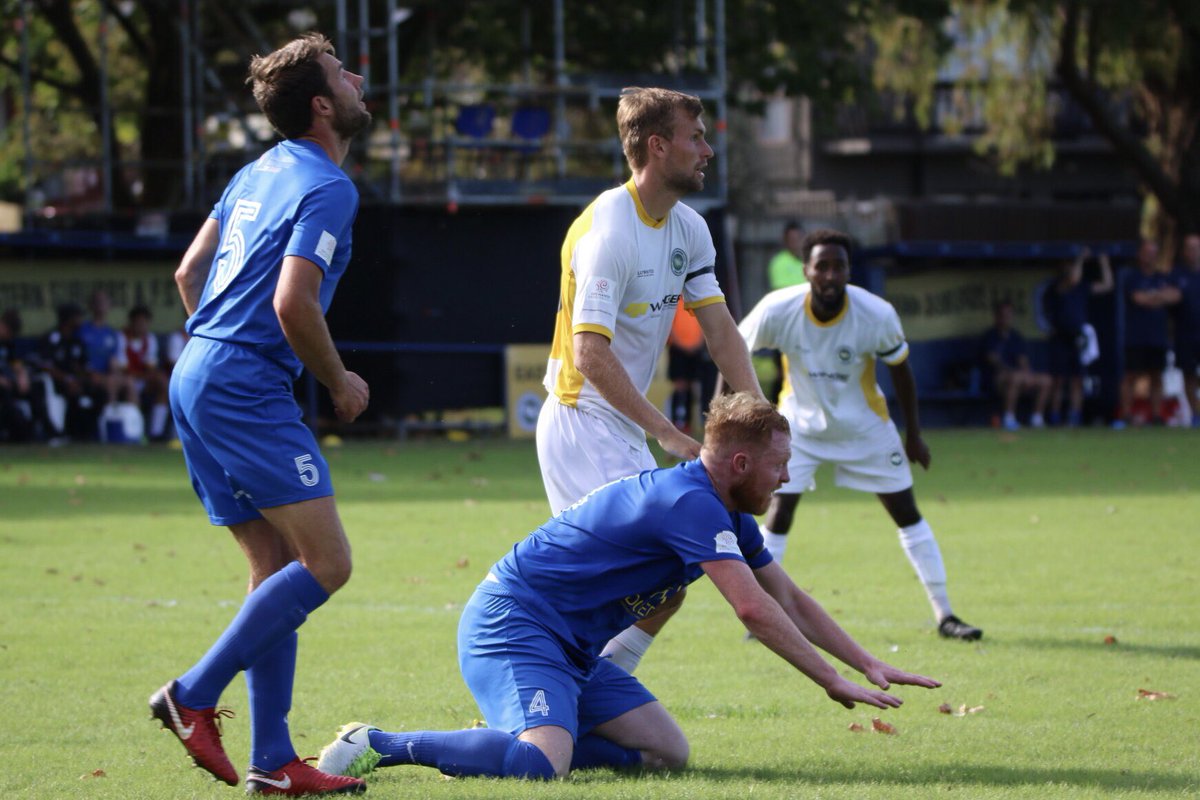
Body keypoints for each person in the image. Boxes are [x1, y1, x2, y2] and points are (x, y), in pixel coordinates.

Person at [314, 392, 941, 782]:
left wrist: (863, 660)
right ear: (742, 464)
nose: (786, 477)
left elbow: (788, 597)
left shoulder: (725, 510)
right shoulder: (689, 503)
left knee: (667, 754)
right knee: (540, 766)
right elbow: (751, 609)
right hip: (514, 624)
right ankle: (375, 744)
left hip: (571, 652)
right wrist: (828, 679)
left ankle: (512, 735)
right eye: (779, 465)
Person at [148, 32, 372, 796]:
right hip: (241, 381)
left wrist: (216, 350)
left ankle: (273, 761)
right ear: (322, 104)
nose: (357, 79)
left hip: (198, 369)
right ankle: (192, 694)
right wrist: (338, 380)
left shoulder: (255, 170)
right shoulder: (329, 185)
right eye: (344, 74)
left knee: (274, 569)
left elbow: (189, 271)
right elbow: (292, 301)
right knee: (329, 563)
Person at [536, 87, 765, 674]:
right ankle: (564, 683)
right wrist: (667, 433)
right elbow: (588, 353)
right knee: (657, 572)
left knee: (664, 579)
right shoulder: (608, 229)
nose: (708, 150)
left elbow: (719, 329)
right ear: (658, 146)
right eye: (696, 137)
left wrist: (761, 415)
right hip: (580, 423)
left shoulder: (689, 228)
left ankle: (588, 688)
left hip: (623, 429)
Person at [735, 228, 982, 641]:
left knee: (907, 513)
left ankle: (946, 615)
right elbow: (732, 352)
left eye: (839, 267)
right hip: (799, 429)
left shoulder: (876, 313)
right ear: (806, 271)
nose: (831, 275)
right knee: (777, 514)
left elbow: (902, 371)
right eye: (822, 266)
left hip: (865, 428)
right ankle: (764, 620)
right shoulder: (778, 309)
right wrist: (718, 430)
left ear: (850, 271)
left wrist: (914, 435)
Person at [1042, 247, 1113, 426]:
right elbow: (1073, 279)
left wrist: (1103, 264)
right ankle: (1055, 416)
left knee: (1077, 380)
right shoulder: (1057, 286)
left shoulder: (1083, 286)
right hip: (1060, 338)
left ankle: (1075, 415)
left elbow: (1107, 285)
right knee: (1058, 379)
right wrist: (1080, 259)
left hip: (1078, 339)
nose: (1070, 268)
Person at [1116, 239, 1180, 427]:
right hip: (1136, 336)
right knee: (1130, 376)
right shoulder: (1133, 277)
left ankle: (1157, 415)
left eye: (1153, 253)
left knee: (1157, 375)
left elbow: (1175, 296)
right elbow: (1139, 299)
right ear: (1140, 254)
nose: (1150, 256)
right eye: (1147, 252)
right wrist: (1160, 296)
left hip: (1157, 336)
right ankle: (1126, 415)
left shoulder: (1163, 277)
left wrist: (1153, 296)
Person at [29, 302, 105, 441]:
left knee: (99, 391)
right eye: (78, 317)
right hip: (55, 383)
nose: (81, 320)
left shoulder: (76, 340)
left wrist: (90, 376)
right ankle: (66, 433)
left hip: (75, 381)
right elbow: (44, 365)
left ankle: (89, 434)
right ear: (69, 319)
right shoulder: (51, 338)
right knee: (72, 391)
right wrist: (67, 379)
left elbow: (82, 366)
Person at [980, 300, 1051, 431]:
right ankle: (1009, 418)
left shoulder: (1016, 337)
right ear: (996, 316)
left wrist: (1028, 375)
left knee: (1045, 380)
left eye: (1009, 315)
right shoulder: (989, 336)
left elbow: (1023, 360)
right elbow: (994, 361)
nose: (1006, 318)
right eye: (1003, 315)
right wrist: (1017, 374)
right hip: (996, 378)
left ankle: (1037, 418)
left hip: (1019, 377)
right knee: (1015, 377)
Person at [114, 304, 171, 440]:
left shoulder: (149, 339)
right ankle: (136, 433)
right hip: (125, 381)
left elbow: (150, 367)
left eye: (144, 323)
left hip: (142, 380)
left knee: (163, 382)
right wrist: (141, 375)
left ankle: (156, 433)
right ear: (131, 322)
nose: (141, 326)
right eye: (138, 322)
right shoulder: (121, 337)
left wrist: (146, 375)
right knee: (130, 384)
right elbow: (123, 369)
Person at [765, 221, 807, 401]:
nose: (795, 242)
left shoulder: (810, 262)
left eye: (798, 238)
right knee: (782, 373)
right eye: (791, 239)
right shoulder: (779, 262)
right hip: (785, 326)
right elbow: (783, 294)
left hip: (806, 327)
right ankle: (774, 412)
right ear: (785, 241)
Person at [666, 303, 717, 435]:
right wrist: (678, 343)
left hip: (695, 349)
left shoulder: (695, 297)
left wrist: (698, 342)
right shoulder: (674, 299)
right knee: (680, 386)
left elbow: (702, 322)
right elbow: (668, 324)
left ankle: (688, 424)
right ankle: (677, 423)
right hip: (677, 348)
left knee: (693, 386)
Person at [1170, 233, 1200, 426]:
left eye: (1196, 247)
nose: (1193, 251)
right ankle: (1196, 415)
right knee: (1188, 374)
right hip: (1186, 334)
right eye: (1189, 247)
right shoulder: (1176, 275)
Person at [77, 288, 124, 407]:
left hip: (106, 375)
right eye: (97, 301)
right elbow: (76, 360)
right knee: (110, 383)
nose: (101, 305)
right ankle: (110, 419)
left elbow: (113, 360)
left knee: (128, 382)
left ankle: (133, 421)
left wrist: (114, 370)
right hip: (87, 375)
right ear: (91, 305)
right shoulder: (82, 330)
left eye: (104, 302)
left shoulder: (112, 333)